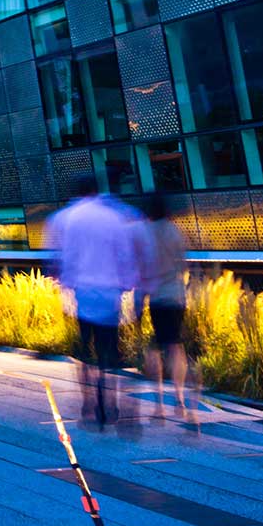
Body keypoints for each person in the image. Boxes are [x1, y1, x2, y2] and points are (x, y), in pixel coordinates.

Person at [47, 172, 140, 428]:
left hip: (83, 293)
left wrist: (66, 282)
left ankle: (88, 403)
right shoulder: (113, 216)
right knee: (108, 350)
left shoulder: (68, 218)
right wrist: (126, 284)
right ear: (97, 190)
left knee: (85, 349)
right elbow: (125, 255)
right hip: (110, 293)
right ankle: (109, 402)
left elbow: (64, 256)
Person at [136, 194, 194, 422]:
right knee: (176, 346)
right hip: (177, 297)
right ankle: (180, 399)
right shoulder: (175, 231)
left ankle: (159, 404)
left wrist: (139, 300)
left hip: (158, 297)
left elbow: (143, 269)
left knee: (155, 347)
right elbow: (184, 265)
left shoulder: (146, 234)